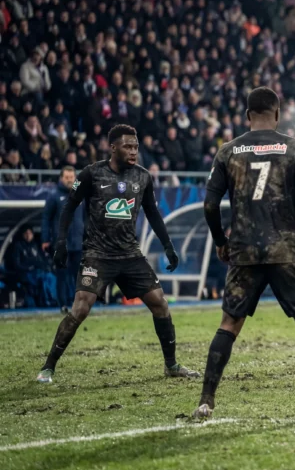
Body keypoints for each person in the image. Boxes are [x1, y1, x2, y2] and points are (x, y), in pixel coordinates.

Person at [194, 87, 295, 421]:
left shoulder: (228, 151)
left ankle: (206, 401)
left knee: (229, 324)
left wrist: (220, 240)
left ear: (247, 116)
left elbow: (210, 204)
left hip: (244, 249)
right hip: (285, 247)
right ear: (277, 114)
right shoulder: (294, 147)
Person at [37, 124, 197, 384]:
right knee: (80, 309)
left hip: (130, 255)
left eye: (135, 147)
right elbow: (68, 207)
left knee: (160, 303)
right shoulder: (91, 173)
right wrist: (61, 242)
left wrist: (168, 245)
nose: (133, 151)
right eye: (128, 147)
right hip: (97, 254)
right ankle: (48, 367)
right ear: (113, 147)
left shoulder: (143, 177)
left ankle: (171, 365)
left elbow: (153, 213)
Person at [42, 166, 85, 312]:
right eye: (66, 177)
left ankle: (77, 304)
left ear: (75, 178)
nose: (69, 180)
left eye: (71, 177)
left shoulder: (80, 195)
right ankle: (63, 304)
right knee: (62, 276)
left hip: (78, 243)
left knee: (78, 276)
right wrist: (45, 239)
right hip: (61, 244)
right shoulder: (54, 196)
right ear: (61, 178)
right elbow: (46, 218)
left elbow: (87, 217)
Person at [10, 227, 57, 307]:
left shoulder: (36, 245)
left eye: (30, 233)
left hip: (38, 271)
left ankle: (51, 299)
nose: (28, 236)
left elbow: (42, 260)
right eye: (26, 234)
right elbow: (17, 264)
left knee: (50, 277)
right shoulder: (18, 246)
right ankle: (46, 300)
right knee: (43, 278)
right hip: (26, 273)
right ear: (22, 235)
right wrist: (28, 268)